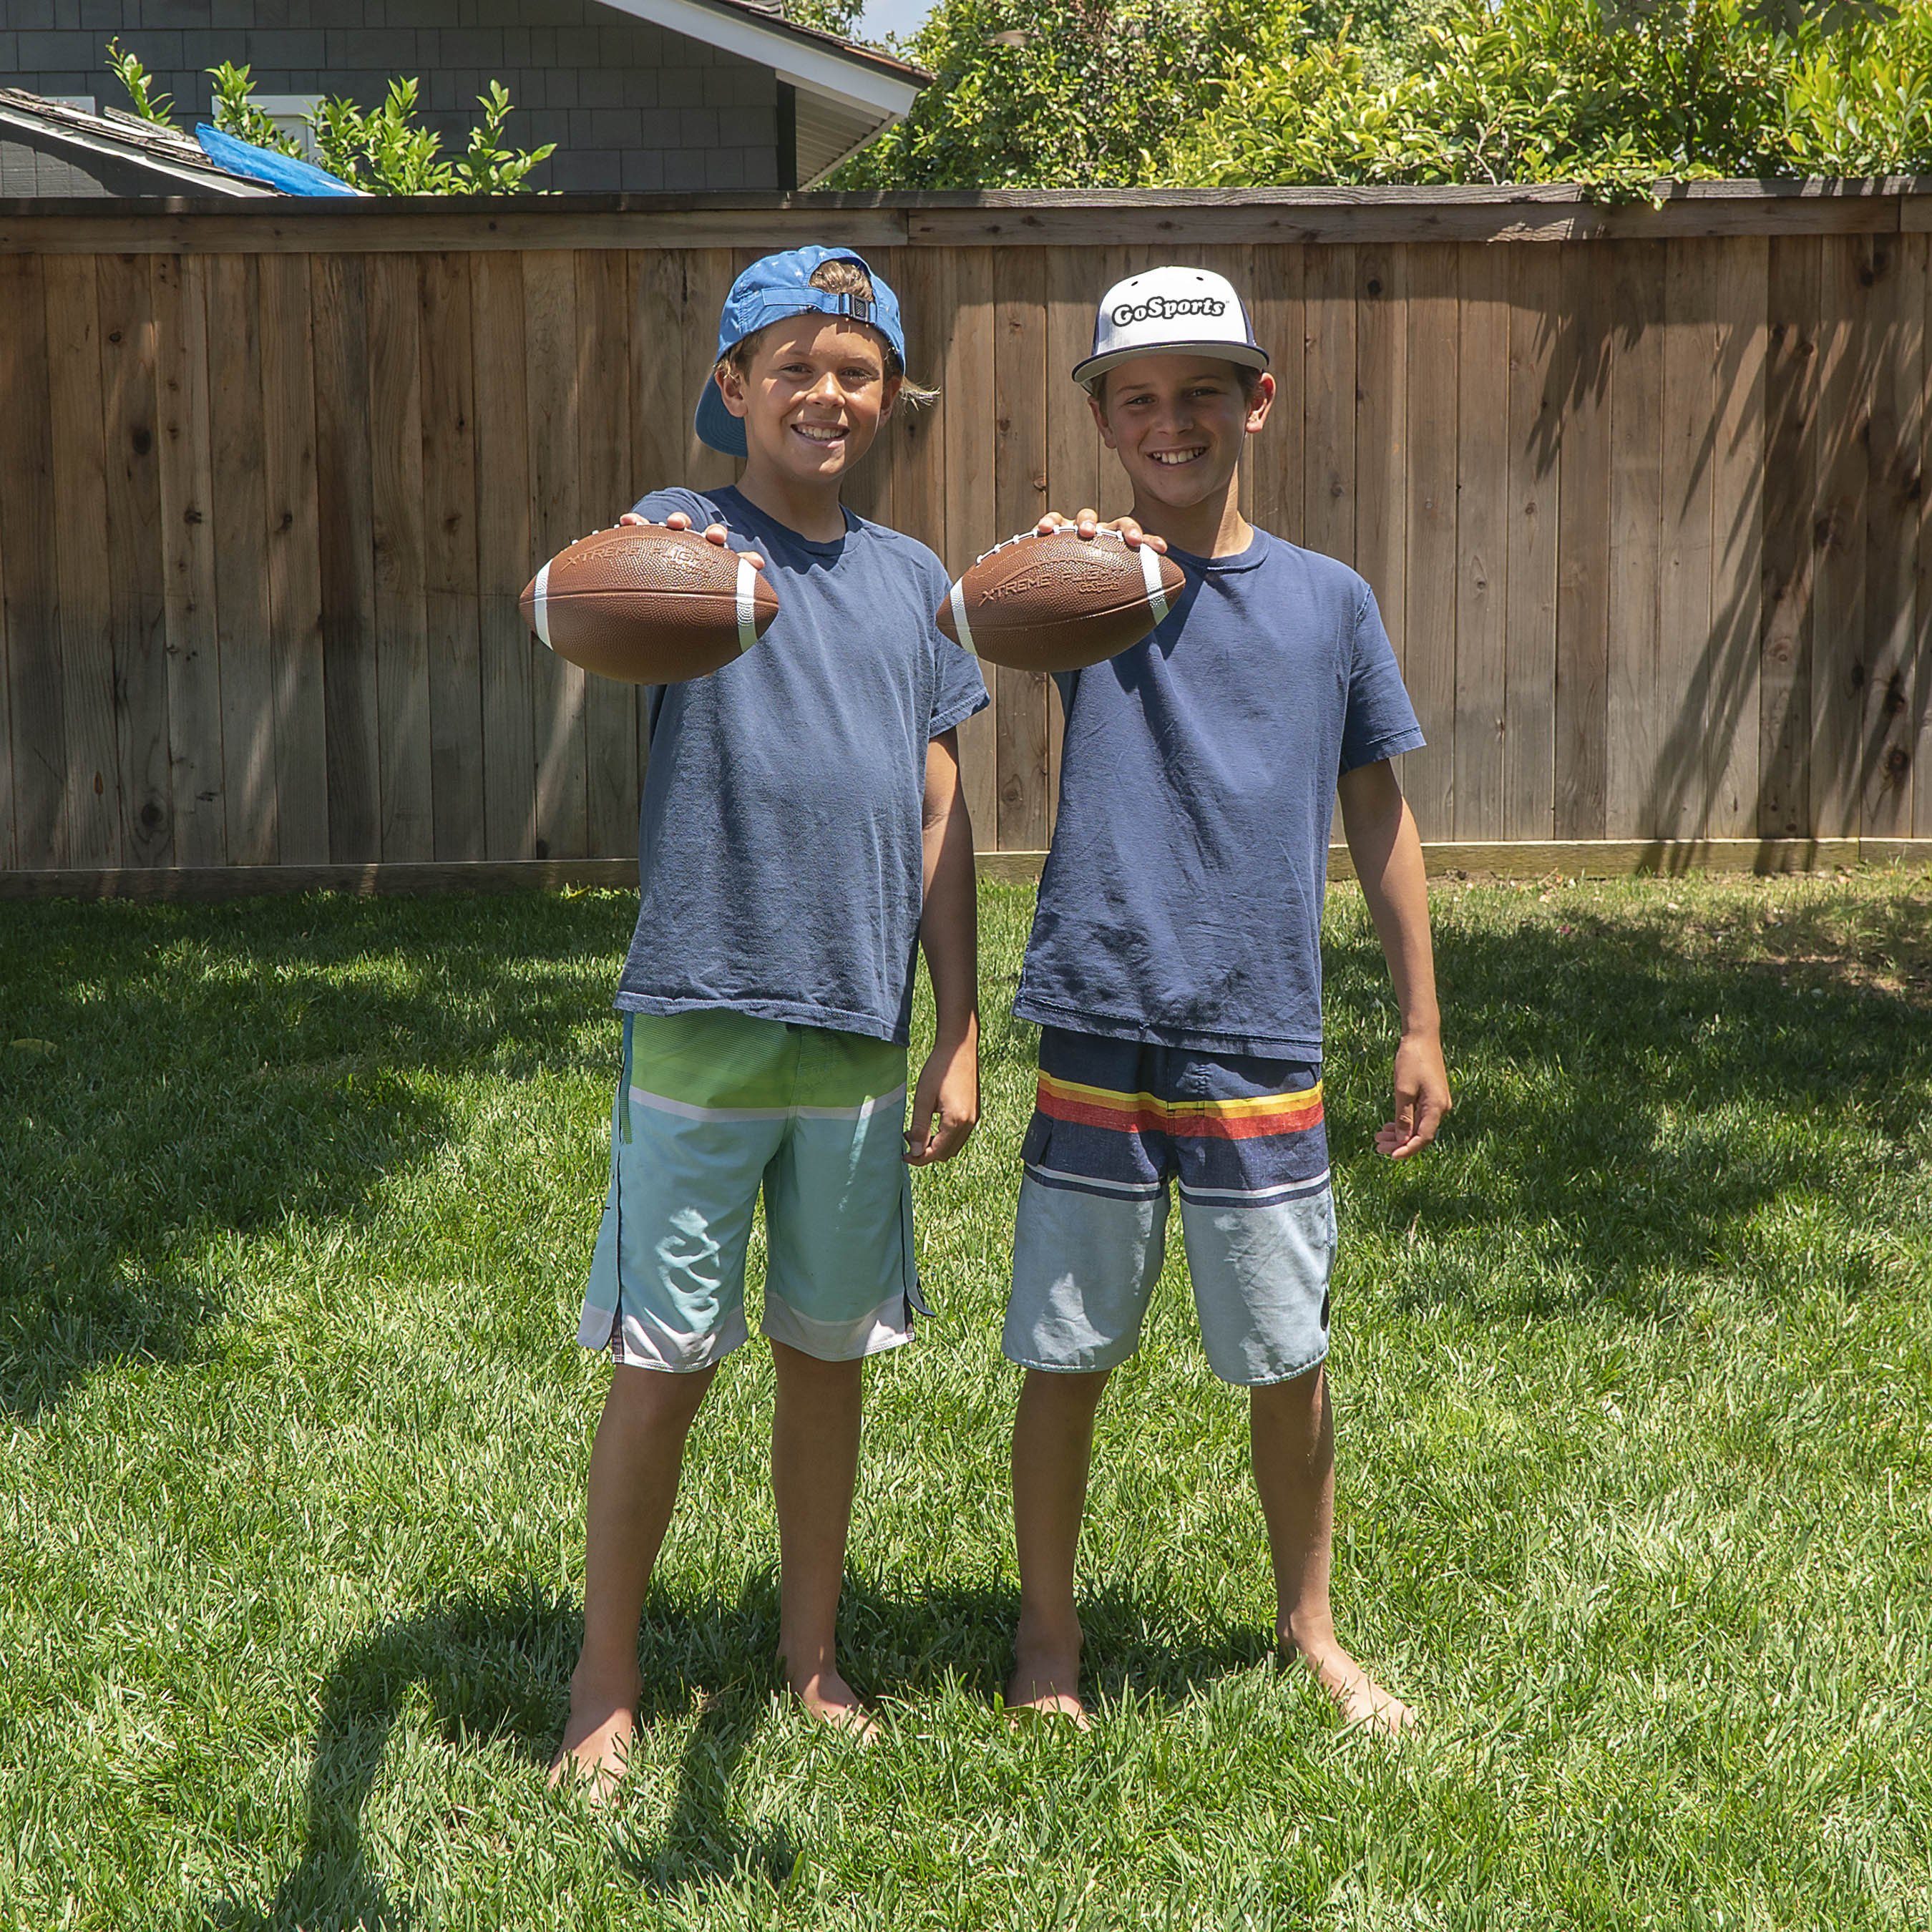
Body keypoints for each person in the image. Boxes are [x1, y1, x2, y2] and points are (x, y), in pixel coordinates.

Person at [551, 247, 987, 1794]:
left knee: (826, 1358)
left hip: (861, 1039)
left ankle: (811, 1658)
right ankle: (608, 1679)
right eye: (792, 363)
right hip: (703, 1021)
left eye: (858, 369)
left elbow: (940, 801)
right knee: (666, 1364)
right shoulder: (686, 548)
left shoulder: (912, 581)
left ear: (889, 400)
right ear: (730, 389)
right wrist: (642, 541)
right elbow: (582, 599)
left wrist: (960, 1022)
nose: (828, 392)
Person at [1003, 266, 1450, 1735]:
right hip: (1102, 1010)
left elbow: (1380, 812)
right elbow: (970, 625)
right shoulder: (1082, 585)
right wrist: (1053, 547)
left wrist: (1420, 1018)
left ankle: (1310, 1625)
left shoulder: (1329, 604)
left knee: (1286, 1351)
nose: (1173, 421)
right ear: (1101, 417)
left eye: (1204, 391)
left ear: (1258, 400)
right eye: (1139, 397)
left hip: (1260, 1024)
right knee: (1068, 1347)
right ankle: (1048, 1643)